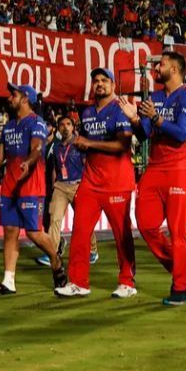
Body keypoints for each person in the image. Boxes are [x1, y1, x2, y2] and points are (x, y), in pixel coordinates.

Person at [0, 84, 67, 296]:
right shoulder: (9, 126)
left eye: (14, 94)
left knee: (34, 233)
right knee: (10, 231)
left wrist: (28, 163)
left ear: (25, 99)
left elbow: (37, 148)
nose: (10, 98)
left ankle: (56, 261)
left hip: (30, 184)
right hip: (10, 186)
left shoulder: (36, 122)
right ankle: (8, 281)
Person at [120, 52, 186, 306]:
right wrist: (134, 119)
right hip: (156, 169)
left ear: (176, 69)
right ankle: (181, 267)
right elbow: (144, 134)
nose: (157, 68)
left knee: (178, 231)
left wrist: (156, 117)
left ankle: (182, 288)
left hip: (181, 168)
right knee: (145, 225)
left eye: (162, 64)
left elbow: (181, 133)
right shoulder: (154, 97)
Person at [56, 69, 136, 299]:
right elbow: (90, 144)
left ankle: (127, 282)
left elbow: (122, 145)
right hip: (91, 181)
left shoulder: (120, 108)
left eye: (104, 81)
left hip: (117, 181)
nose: (99, 84)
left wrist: (88, 143)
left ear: (113, 84)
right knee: (80, 231)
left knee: (122, 234)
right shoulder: (88, 112)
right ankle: (79, 282)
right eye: (96, 81)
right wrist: (85, 146)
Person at [37, 116, 99, 270]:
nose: (65, 127)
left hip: (78, 185)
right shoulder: (56, 147)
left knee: (83, 220)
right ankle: (52, 253)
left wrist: (88, 186)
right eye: (62, 125)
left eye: (68, 124)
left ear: (73, 127)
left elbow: (88, 165)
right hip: (60, 187)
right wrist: (53, 187)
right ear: (58, 128)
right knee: (54, 219)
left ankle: (92, 250)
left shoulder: (80, 144)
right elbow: (54, 169)